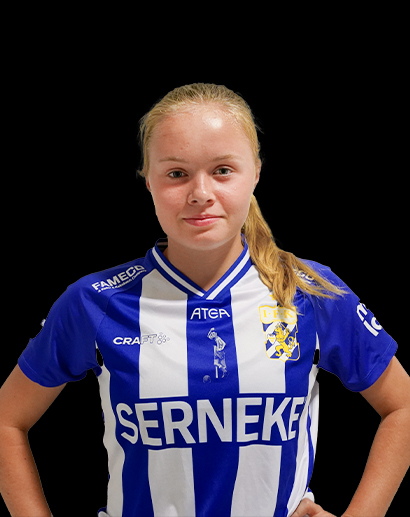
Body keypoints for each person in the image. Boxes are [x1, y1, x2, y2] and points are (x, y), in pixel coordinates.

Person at [0, 83, 409, 517]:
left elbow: (402, 407)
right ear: (148, 180)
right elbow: (6, 421)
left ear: (255, 172)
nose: (200, 193)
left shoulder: (308, 291)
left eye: (223, 170)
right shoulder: (96, 302)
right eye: (177, 174)